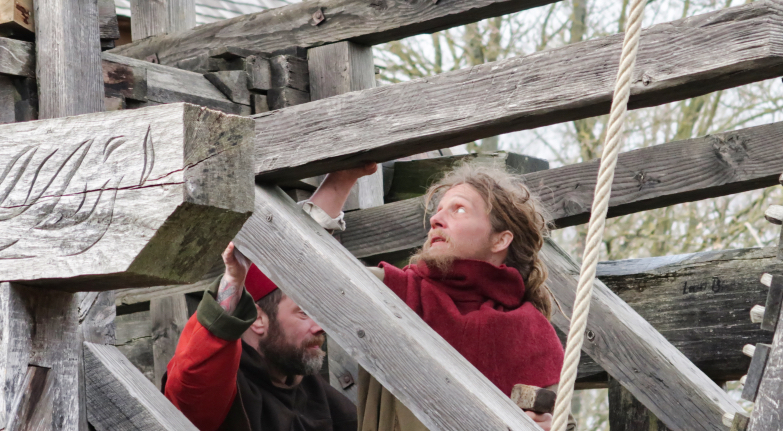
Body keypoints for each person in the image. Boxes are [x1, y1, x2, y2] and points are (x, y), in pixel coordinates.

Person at [309, 163, 571, 431]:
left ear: (500, 240)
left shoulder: (533, 332)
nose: (435, 219)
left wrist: (548, 426)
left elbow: (561, 421)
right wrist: (342, 179)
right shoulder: (393, 292)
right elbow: (304, 268)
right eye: (439, 210)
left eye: (459, 209)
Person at [161, 168, 375, 431]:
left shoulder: (312, 391)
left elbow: (295, 252)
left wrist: (345, 176)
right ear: (257, 319)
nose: (321, 326)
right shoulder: (224, 387)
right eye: (304, 312)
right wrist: (233, 281)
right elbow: (193, 380)